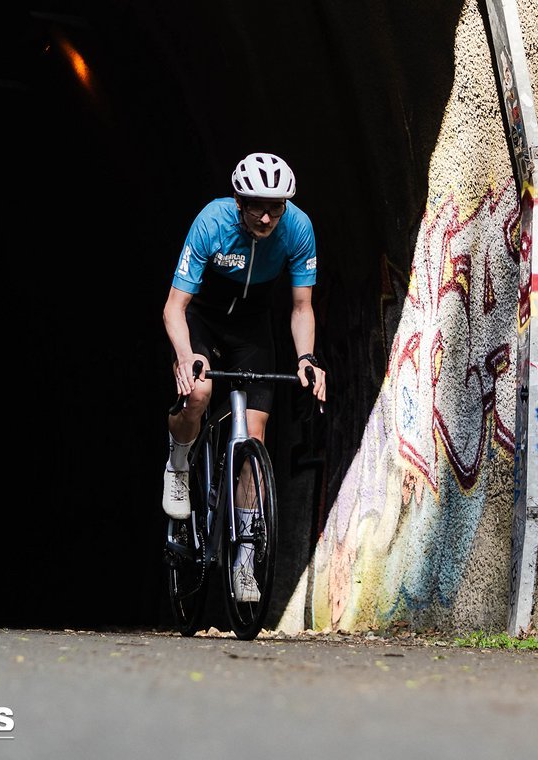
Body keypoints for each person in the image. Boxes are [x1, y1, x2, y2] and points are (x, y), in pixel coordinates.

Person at [161, 152, 327, 603]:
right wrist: (184, 357)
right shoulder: (211, 222)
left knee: (255, 434)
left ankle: (245, 559)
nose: (267, 217)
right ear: (239, 201)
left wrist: (306, 357)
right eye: (257, 207)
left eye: (276, 207)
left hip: (252, 328)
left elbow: (301, 307)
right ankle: (179, 461)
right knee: (198, 391)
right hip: (203, 319)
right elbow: (174, 308)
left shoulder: (298, 228)